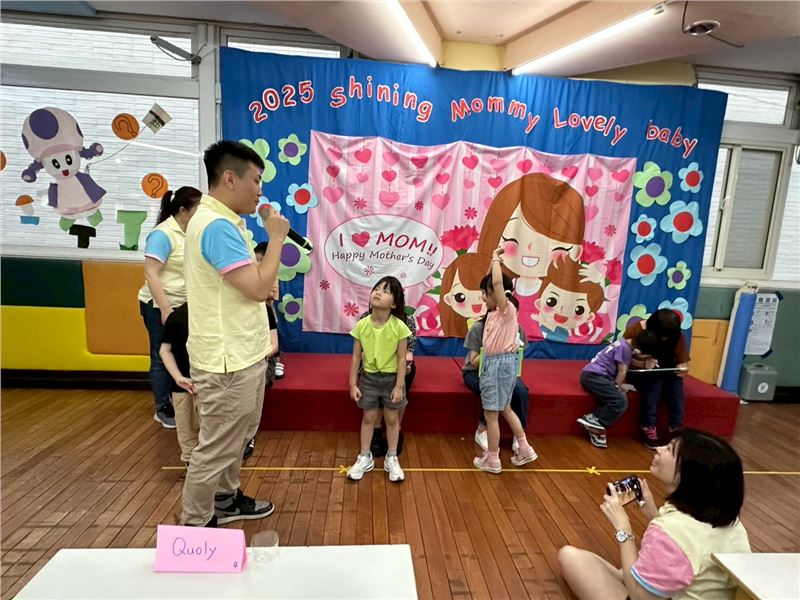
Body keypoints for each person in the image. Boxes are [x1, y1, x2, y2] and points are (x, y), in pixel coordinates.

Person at [181, 140, 289, 527]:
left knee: (237, 438)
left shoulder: (225, 223)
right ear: (230, 179)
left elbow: (251, 286)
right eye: (255, 180)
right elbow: (258, 289)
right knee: (215, 447)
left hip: (242, 352)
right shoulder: (217, 227)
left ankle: (225, 499)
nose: (260, 190)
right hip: (227, 361)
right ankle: (196, 524)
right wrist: (276, 239)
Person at [558, 429, 751, 599]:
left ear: (688, 474)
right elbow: (688, 545)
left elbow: (639, 596)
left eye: (669, 450)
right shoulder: (729, 521)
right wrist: (652, 512)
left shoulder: (668, 530)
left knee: (569, 556)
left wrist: (623, 529)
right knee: (605, 566)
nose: (659, 449)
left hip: (645, 596)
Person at [137, 186, 202, 428]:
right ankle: (162, 407)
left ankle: (183, 402)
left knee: (182, 354)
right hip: (159, 305)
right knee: (160, 354)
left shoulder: (192, 233)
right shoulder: (162, 235)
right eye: (198, 209)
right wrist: (165, 308)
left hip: (184, 306)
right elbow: (151, 273)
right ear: (183, 210)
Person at [472, 247, 538, 474]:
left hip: (496, 365)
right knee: (506, 409)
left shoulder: (505, 309)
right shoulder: (494, 313)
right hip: (505, 364)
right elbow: (492, 282)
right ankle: (525, 448)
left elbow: (497, 283)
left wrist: (495, 258)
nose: (482, 297)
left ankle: (492, 460)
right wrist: (491, 268)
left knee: (491, 415)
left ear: (500, 294)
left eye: (485, 293)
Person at [346, 276, 411, 483]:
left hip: (391, 379)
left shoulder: (399, 327)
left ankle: (391, 457)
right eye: (377, 288)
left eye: (386, 291)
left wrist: (399, 386)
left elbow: (402, 358)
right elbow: (356, 356)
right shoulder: (362, 325)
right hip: (369, 379)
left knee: (392, 419)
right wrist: (352, 383)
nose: (378, 292)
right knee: (368, 417)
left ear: (394, 304)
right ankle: (365, 456)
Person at [577, 329, 659, 448]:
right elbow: (622, 372)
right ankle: (599, 423)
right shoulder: (625, 349)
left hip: (593, 375)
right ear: (641, 349)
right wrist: (616, 386)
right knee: (620, 401)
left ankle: (593, 418)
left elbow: (627, 361)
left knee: (616, 397)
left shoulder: (623, 343)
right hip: (594, 377)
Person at [624, 308, 690, 449]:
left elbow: (683, 362)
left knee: (675, 382)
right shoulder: (635, 330)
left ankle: (676, 426)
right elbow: (623, 360)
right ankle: (648, 426)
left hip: (666, 371)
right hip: (641, 372)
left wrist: (682, 368)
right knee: (654, 381)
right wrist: (643, 364)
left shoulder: (677, 335)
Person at [244, 242, 282, 461]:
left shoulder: (265, 310)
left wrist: (259, 355)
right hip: (240, 360)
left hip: (259, 359)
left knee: (255, 387)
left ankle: (249, 436)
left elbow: (274, 344)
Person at [366, 309, 416, 458]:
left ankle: (396, 427)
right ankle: (376, 430)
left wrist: (405, 366)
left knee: (402, 378)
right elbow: (362, 351)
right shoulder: (366, 319)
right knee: (376, 380)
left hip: (399, 364)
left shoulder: (407, 320)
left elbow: (409, 351)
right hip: (373, 365)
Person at [159, 303, 198, 464]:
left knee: (208, 435)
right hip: (183, 388)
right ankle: (191, 465)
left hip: (206, 385)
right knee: (187, 435)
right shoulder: (178, 317)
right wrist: (177, 377)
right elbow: (164, 350)